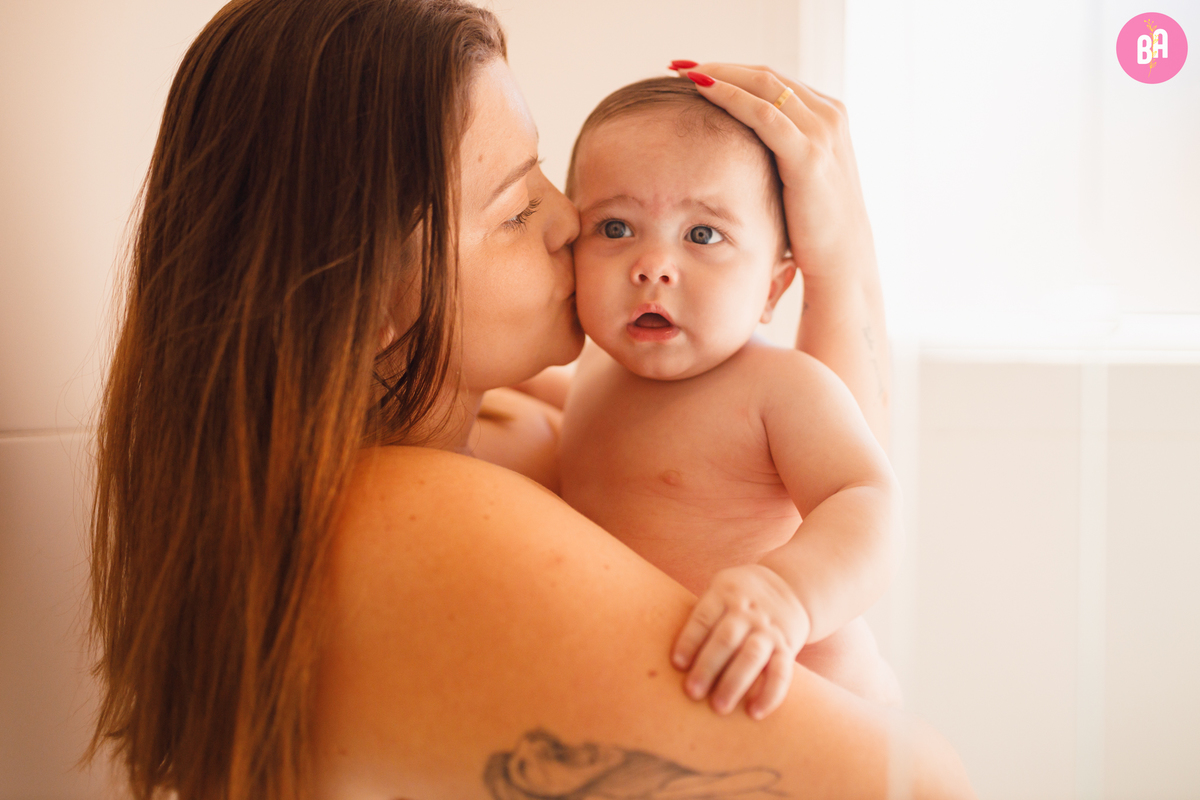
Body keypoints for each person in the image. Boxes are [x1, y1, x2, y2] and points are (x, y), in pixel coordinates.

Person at [86, 1, 974, 798]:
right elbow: (917, 785)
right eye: (516, 207)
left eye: (544, 171)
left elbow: (807, 468)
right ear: (375, 291)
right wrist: (836, 256)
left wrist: (833, 255)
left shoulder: (523, 424)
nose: (570, 221)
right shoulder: (418, 515)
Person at [558, 76, 901, 720]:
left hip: (809, 704)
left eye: (703, 235)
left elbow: (867, 502)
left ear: (773, 289)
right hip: (680, 711)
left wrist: (786, 595)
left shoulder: (783, 388)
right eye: (614, 225)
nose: (654, 264)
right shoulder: (592, 374)